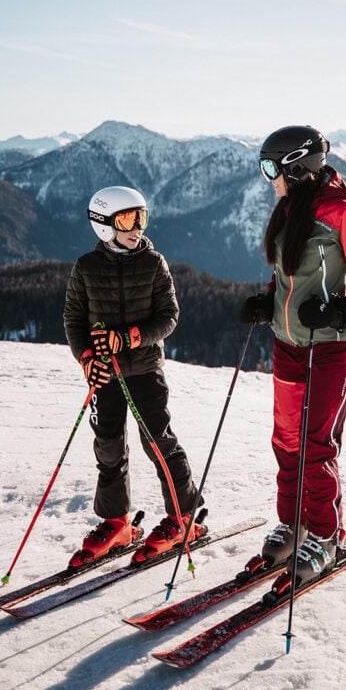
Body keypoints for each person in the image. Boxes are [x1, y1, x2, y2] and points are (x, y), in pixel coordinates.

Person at [240, 125, 346, 583]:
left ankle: (326, 535)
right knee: (286, 440)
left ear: (296, 167)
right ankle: (294, 522)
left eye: (271, 168)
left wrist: (343, 309)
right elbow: (288, 275)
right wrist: (268, 300)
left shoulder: (341, 213)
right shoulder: (290, 209)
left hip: (329, 350)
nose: (268, 178)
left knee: (316, 446)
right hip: (286, 346)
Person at [63, 185, 202, 567]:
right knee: (108, 445)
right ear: (104, 225)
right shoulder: (86, 268)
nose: (137, 227)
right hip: (105, 373)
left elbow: (169, 317)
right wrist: (86, 357)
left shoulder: (154, 263)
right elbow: (73, 319)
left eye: (141, 217)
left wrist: (131, 338)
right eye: (127, 219)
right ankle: (116, 521)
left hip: (143, 370)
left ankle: (183, 516)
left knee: (158, 441)